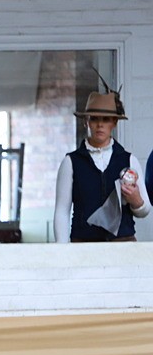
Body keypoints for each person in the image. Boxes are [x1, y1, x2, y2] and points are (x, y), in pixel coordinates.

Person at [53, 89, 149, 242]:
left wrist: (136, 200)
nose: (99, 125)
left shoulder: (129, 160)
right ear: (86, 121)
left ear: (114, 123)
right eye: (94, 119)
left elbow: (144, 210)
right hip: (83, 246)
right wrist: (62, 251)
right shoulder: (71, 162)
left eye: (106, 119)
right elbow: (61, 211)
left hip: (123, 246)